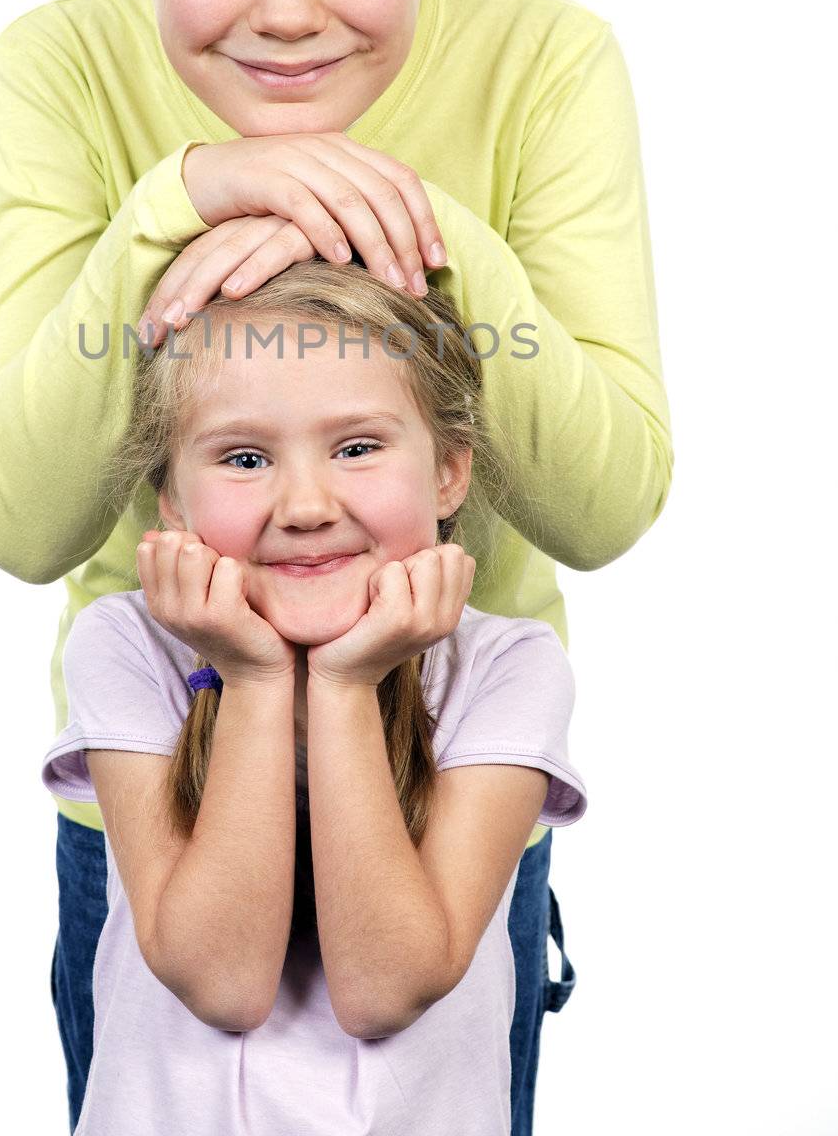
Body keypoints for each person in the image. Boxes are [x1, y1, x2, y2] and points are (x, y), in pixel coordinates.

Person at [0, 0, 671, 1132]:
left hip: (448, 779)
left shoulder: (543, 62)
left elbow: (600, 504)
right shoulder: (58, 69)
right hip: (158, 768)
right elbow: (18, 521)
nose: (284, 12)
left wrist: (408, 220)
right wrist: (176, 202)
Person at [42, 260, 588, 1136]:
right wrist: (255, 676)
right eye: (245, 457)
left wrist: (341, 681)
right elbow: (222, 983)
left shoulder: (508, 668)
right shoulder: (124, 644)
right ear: (171, 502)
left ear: (449, 471)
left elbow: (384, 989)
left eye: (357, 447)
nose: (303, 505)